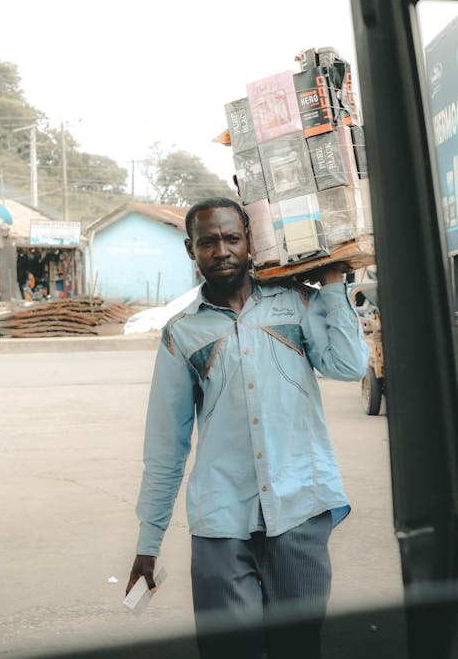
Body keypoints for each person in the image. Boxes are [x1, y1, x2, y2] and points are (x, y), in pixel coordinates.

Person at [126, 197, 369, 658]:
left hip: (299, 508)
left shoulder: (298, 303)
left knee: (297, 648)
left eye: (232, 238)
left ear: (250, 241)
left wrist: (334, 284)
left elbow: (349, 364)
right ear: (189, 250)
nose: (221, 251)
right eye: (208, 242)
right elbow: (166, 447)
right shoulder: (182, 333)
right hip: (221, 521)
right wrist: (148, 542)